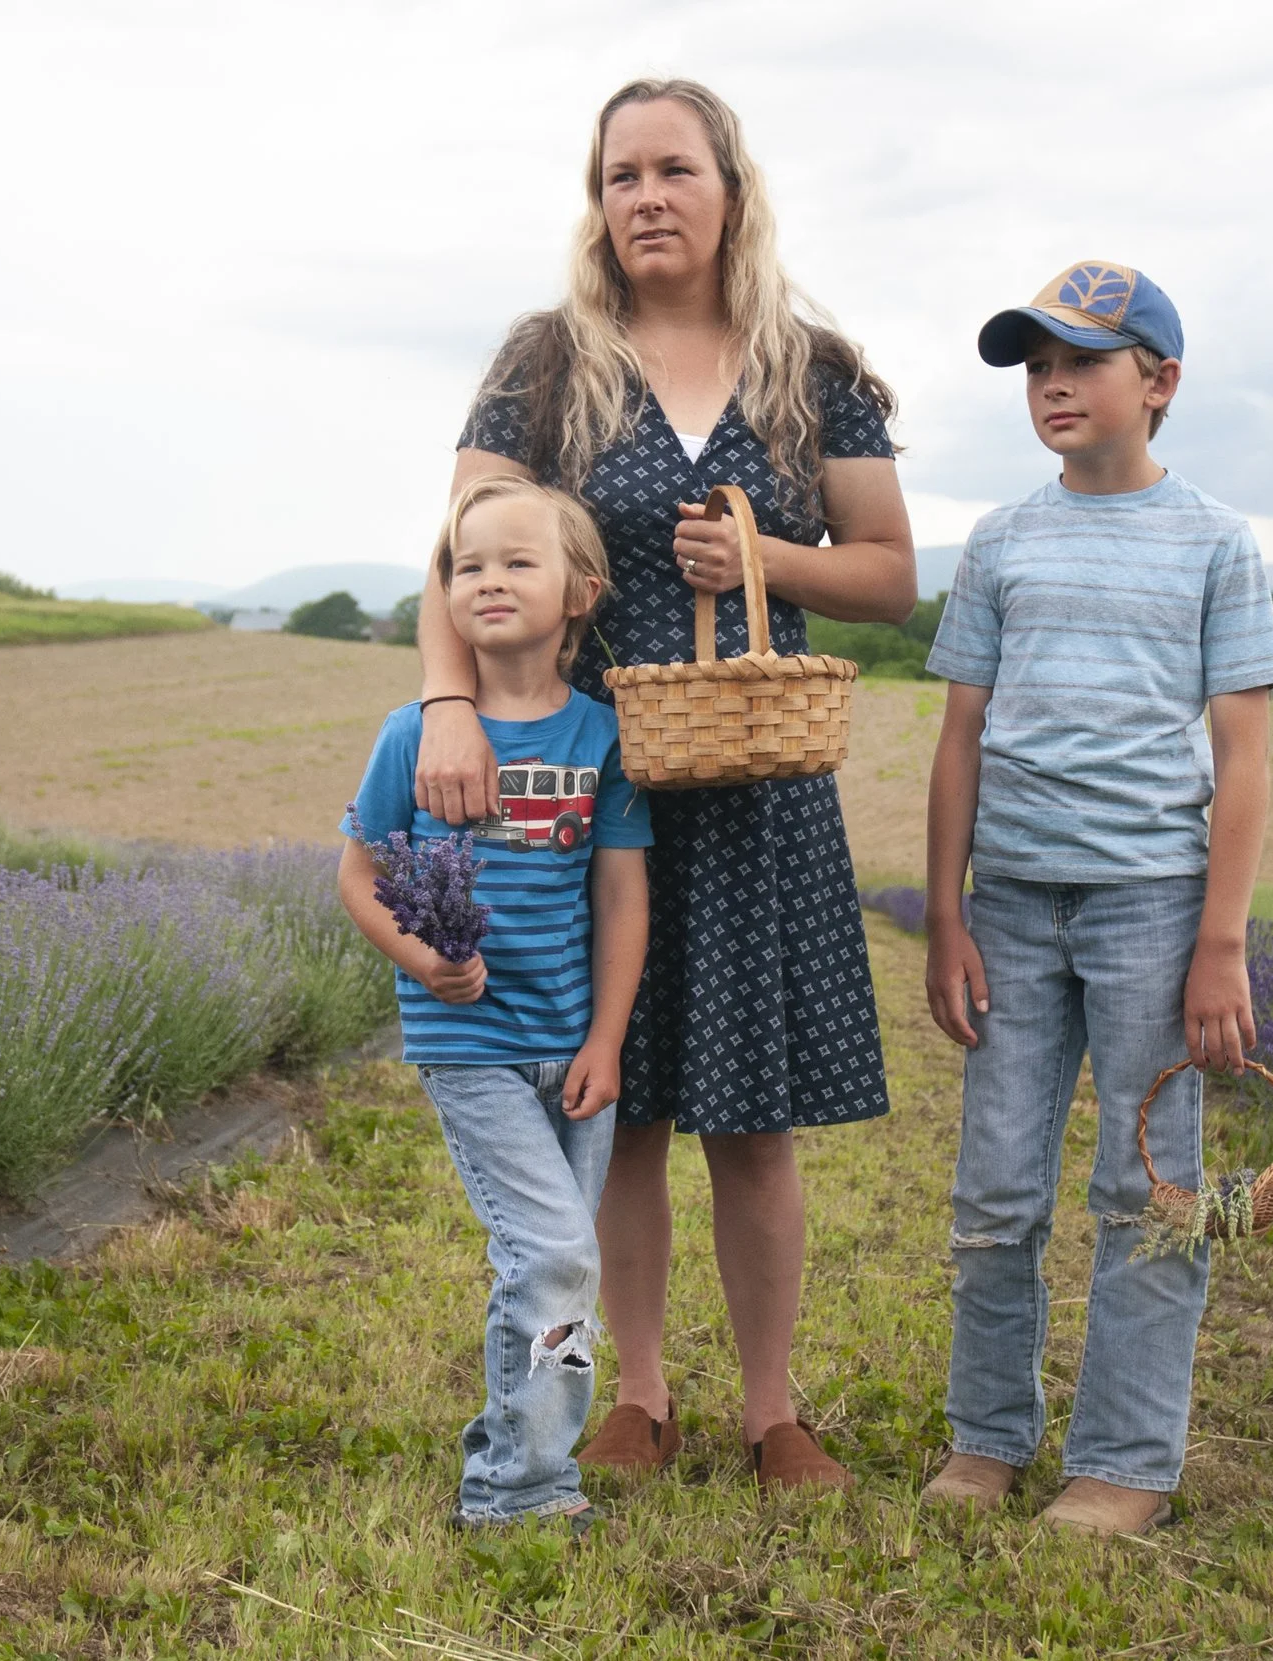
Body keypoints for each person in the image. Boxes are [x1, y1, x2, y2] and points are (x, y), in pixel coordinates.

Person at [413, 78, 916, 1490]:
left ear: (729, 192)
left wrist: (767, 563)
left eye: (672, 170)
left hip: (758, 788)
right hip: (586, 785)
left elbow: (888, 574)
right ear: (600, 202)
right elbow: (453, 554)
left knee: (752, 1120)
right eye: (619, 175)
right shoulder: (547, 363)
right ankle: (637, 1394)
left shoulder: (814, 368)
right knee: (613, 1102)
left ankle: (773, 1411)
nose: (644, 196)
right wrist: (449, 707)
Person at [918, 262, 1273, 1533]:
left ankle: (1125, 1461)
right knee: (995, 1187)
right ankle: (986, 1437)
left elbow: (1241, 759)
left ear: (1160, 382)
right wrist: (949, 913)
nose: (1053, 385)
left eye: (1082, 361)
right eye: (1036, 367)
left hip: (1150, 907)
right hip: (1011, 904)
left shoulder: (1214, 543)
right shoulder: (1001, 541)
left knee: (1147, 1189)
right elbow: (959, 737)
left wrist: (1218, 942)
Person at [339, 476, 651, 1530]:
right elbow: (358, 874)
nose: (489, 580)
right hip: (467, 1042)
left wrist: (606, 1038)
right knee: (554, 1252)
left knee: (556, 1260)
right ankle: (520, 1491)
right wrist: (423, 960)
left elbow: (618, 893)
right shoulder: (411, 736)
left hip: (570, 1050)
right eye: (468, 565)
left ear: (581, 592)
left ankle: (516, 1449)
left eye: (518, 560)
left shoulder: (600, 739)